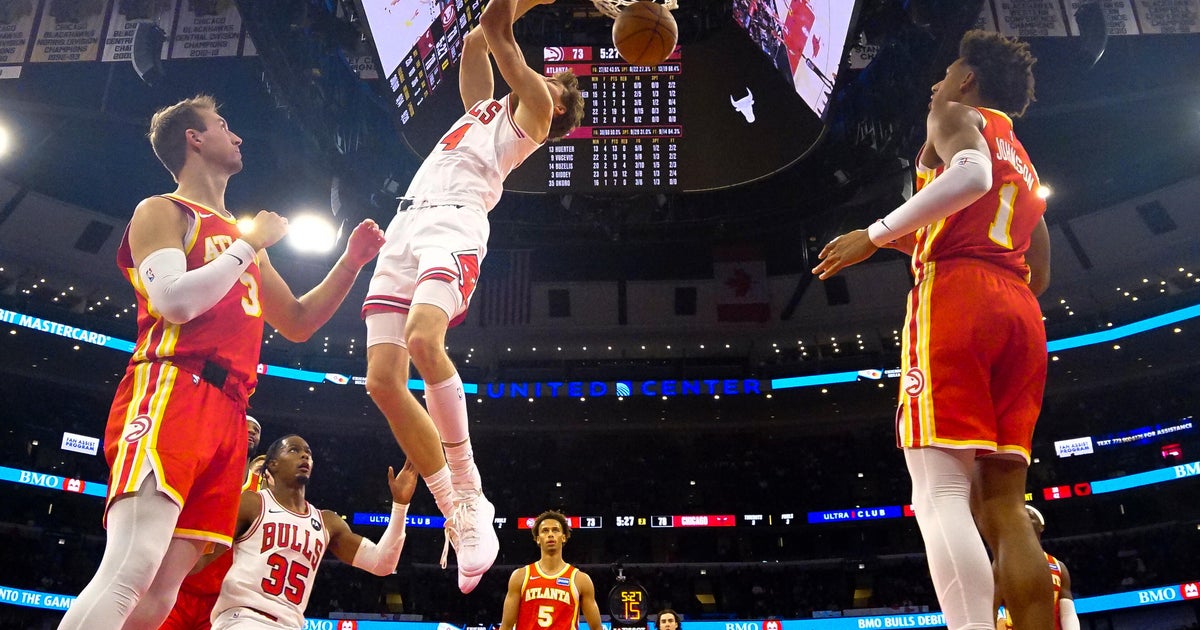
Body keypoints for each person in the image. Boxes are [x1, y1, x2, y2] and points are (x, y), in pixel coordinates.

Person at [59, 95, 386, 630]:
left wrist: (350, 263)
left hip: (232, 411)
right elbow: (173, 301)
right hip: (172, 388)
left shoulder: (244, 242)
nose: (236, 137)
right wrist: (246, 245)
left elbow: (298, 322)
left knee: (163, 590)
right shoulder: (163, 210)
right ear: (193, 138)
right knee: (131, 567)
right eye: (223, 126)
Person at [812, 30, 1052, 630]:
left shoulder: (954, 114)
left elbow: (968, 177)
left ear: (968, 81)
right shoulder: (1022, 158)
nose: (934, 85)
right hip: (1021, 310)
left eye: (944, 73)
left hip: (959, 297)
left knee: (938, 490)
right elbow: (1040, 267)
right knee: (1005, 504)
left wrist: (873, 235)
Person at [361, 0, 584, 595]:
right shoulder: (485, 110)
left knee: (422, 341)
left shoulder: (535, 115)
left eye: (547, 79)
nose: (536, 77)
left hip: (454, 224)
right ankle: (459, 513)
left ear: (555, 102)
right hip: (406, 225)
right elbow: (474, 44)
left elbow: (497, 29)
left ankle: (470, 488)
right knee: (381, 381)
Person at [210, 435, 418, 629]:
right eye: (293, 450)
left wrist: (400, 506)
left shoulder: (327, 522)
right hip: (243, 619)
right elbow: (204, 553)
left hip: (291, 624)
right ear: (272, 464)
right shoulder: (253, 503)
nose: (304, 455)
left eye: (308, 452)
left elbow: (382, 563)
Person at [160, 415, 264, 630]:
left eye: (257, 430)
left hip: (221, 598)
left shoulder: (261, 492)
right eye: (247, 427)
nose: (252, 432)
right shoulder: (204, 467)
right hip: (177, 585)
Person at [499, 511, 605, 630]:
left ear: (563, 537)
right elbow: (506, 626)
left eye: (555, 530)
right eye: (545, 530)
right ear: (538, 539)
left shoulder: (580, 579)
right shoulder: (520, 576)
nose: (550, 534)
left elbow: (596, 627)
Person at [995, 506, 1079, 630]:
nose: (1024, 516)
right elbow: (991, 608)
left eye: (1030, 515)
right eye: (1020, 516)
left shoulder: (1058, 566)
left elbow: (1068, 614)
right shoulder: (1001, 565)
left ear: (1041, 526)